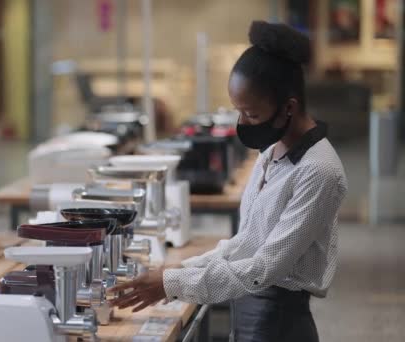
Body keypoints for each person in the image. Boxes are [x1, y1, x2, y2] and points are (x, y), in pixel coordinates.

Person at [110, 21, 348, 342]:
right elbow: (244, 244)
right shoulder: (272, 151)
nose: (242, 123)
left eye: (250, 114)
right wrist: (180, 273)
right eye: (238, 112)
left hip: (279, 320)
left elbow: (264, 269)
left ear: (288, 108)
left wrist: (174, 283)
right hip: (250, 304)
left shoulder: (318, 170)